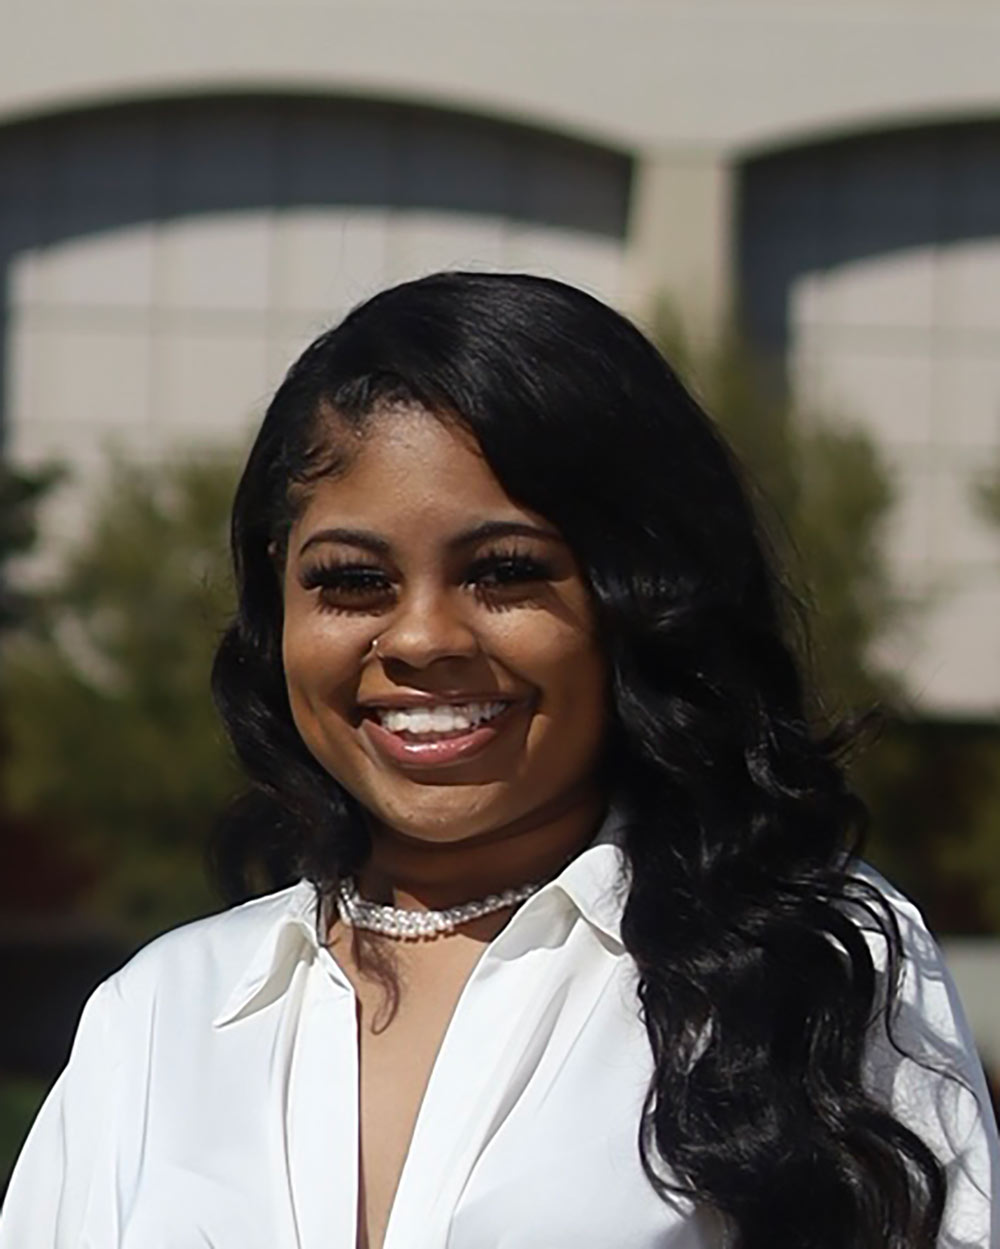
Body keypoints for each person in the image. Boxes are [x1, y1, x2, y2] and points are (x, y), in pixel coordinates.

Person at [1, 271, 996, 1249]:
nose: (423, 637)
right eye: (352, 581)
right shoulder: (159, 1013)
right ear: (280, 607)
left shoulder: (814, 968)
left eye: (505, 571)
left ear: (641, 598)